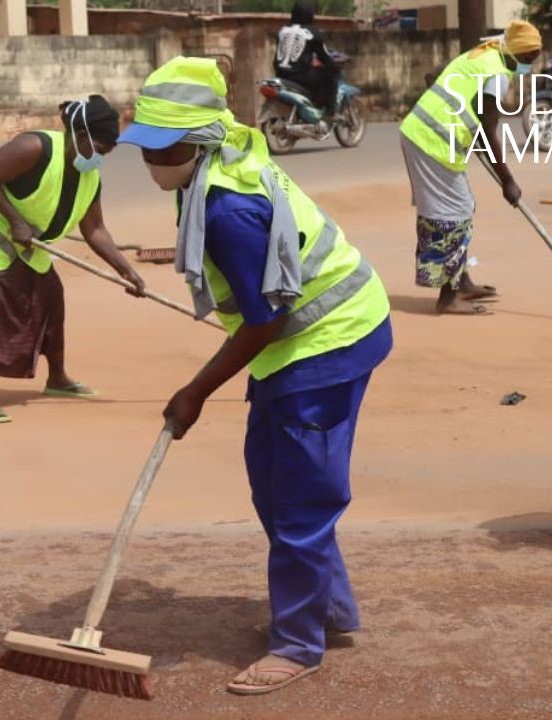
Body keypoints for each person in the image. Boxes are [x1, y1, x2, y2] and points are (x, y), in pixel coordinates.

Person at [119, 56, 393, 695]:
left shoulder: (225, 209)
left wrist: (195, 392)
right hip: (293, 343)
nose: (149, 160)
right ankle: (327, 607)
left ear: (198, 142)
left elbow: (266, 319)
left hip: (327, 340)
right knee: (271, 481)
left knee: (300, 495)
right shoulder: (215, 164)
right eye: (146, 147)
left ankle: (299, 643)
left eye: (163, 148)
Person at [0, 95, 146, 424]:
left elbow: (94, 229)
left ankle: (58, 377)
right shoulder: (34, 148)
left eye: (109, 151)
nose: (103, 156)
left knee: (50, 296)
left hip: (24, 241)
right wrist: (14, 220)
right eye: (100, 147)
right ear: (79, 135)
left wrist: (126, 271)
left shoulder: (89, 176)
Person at [400, 20, 543, 315]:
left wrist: (460, 118)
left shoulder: (481, 54)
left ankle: (461, 282)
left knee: (462, 204)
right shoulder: (497, 75)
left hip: (425, 134)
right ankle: (448, 296)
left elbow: (432, 76)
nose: (529, 66)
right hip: (432, 142)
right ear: (518, 54)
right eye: (529, 60)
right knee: (454, 212)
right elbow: (490, 132)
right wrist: (508, 181)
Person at [275, 0, 339, 118]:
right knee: (332, 74)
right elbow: (324, 56)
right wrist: (334, 65)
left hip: (280, 74)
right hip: (300, 76)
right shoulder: (312, 33)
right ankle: (331, 111)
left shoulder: (282, 31)